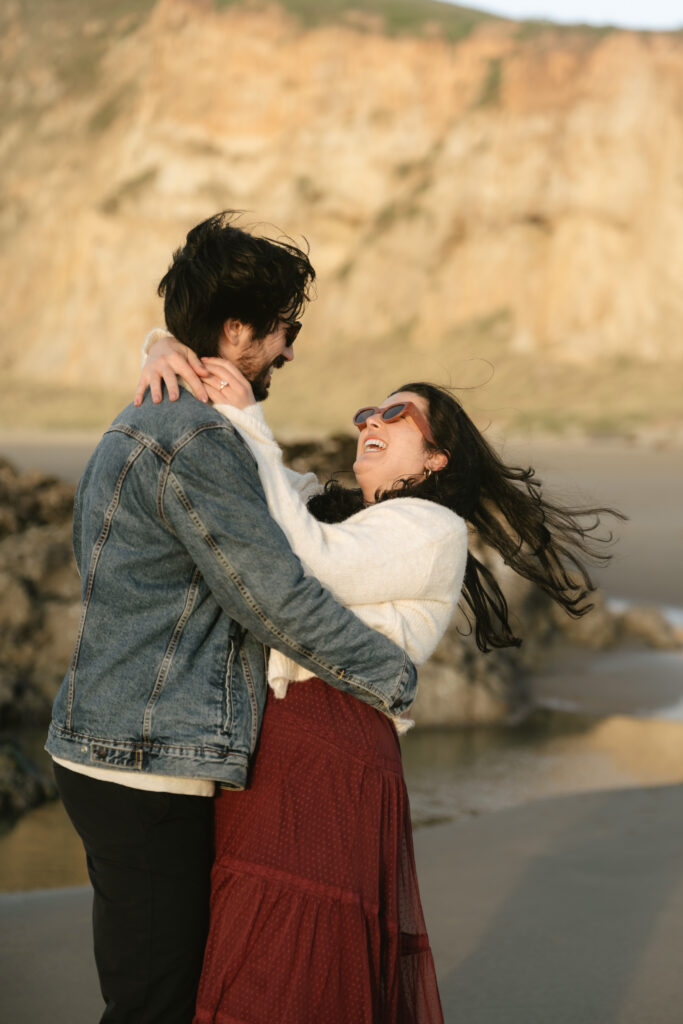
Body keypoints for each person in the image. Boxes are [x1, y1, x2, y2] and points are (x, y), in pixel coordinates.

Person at [137, 336, 620, 1024]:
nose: (370, 420)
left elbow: (305, 557)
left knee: (291, 965)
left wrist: (250, 417)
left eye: (396, 414)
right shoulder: (345, 512)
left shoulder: (430, 529)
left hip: (331, 754)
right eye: (368, 410)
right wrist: (161, 348)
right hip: (272, 748)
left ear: (434, 459)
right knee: (253, 950)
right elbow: (260, 487)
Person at [45, 212, 420, 1024]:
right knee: (156, 1005)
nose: (288, 349)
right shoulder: (195, 439)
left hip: (109, 742)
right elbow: (270, 595)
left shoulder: (139, 413)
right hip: (144, 764)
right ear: (237, 329)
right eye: (282, 330)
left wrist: (156, 341)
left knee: (160, 991)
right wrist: (391, 675)